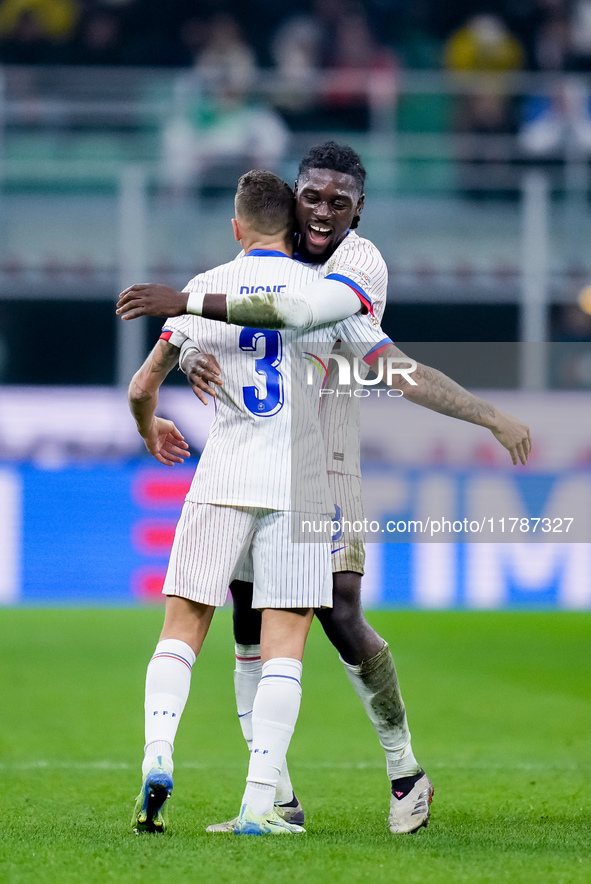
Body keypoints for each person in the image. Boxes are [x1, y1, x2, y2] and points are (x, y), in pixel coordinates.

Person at [118, 143, 532, 834]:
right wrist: (193, 351)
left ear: (357, 210)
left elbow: (318, 325)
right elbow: (216, 326)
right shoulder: (260, 262)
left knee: (337, 610)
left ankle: (403, 768)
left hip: (325, 452)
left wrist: (487, 414)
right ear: (292, 195)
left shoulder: (356, 265)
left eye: (338, 203)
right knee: (250, 617)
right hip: (264, 445)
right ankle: (272, 794)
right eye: (311, 197)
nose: (322, 213)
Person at [127, 168, 393, 837]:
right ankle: (259, 805)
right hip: (299, 485)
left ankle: (157, 755)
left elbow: (140, 388)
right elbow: (374, 363)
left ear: (237, 227)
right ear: (294, 223)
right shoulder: (326, 292)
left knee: (182, 630)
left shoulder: (200, 289)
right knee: (282, 647)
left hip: (220, 475)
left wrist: (151, 423)